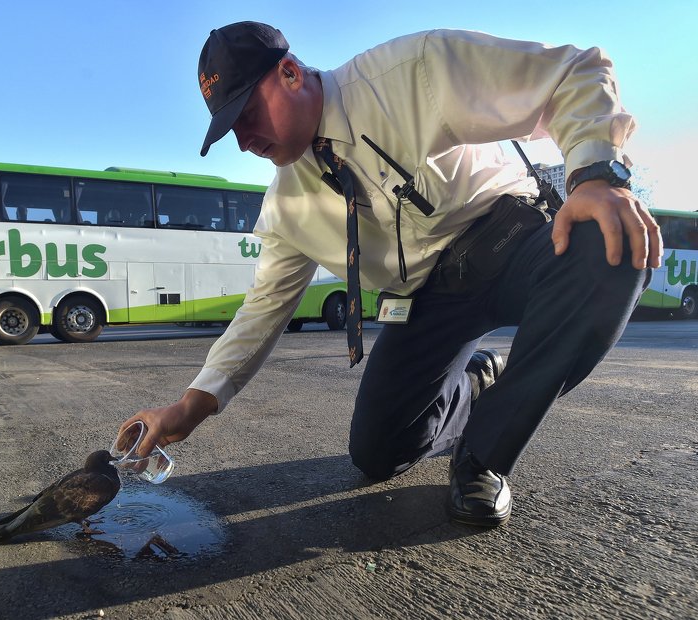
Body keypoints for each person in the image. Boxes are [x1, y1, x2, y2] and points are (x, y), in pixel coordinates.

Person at [120, 22, 661, 526]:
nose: (244, 140)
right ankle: (473, 382)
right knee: (377, 453)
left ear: (289, 73)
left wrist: (596, 177)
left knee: (608, 244)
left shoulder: (409, 73)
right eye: (229, 128)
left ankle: (484, 455)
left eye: (247, 113)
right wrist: (189, 408)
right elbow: (261, 311)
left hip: (508, 241)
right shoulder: (287, 207)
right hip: (427, 296)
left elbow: (574, 69)